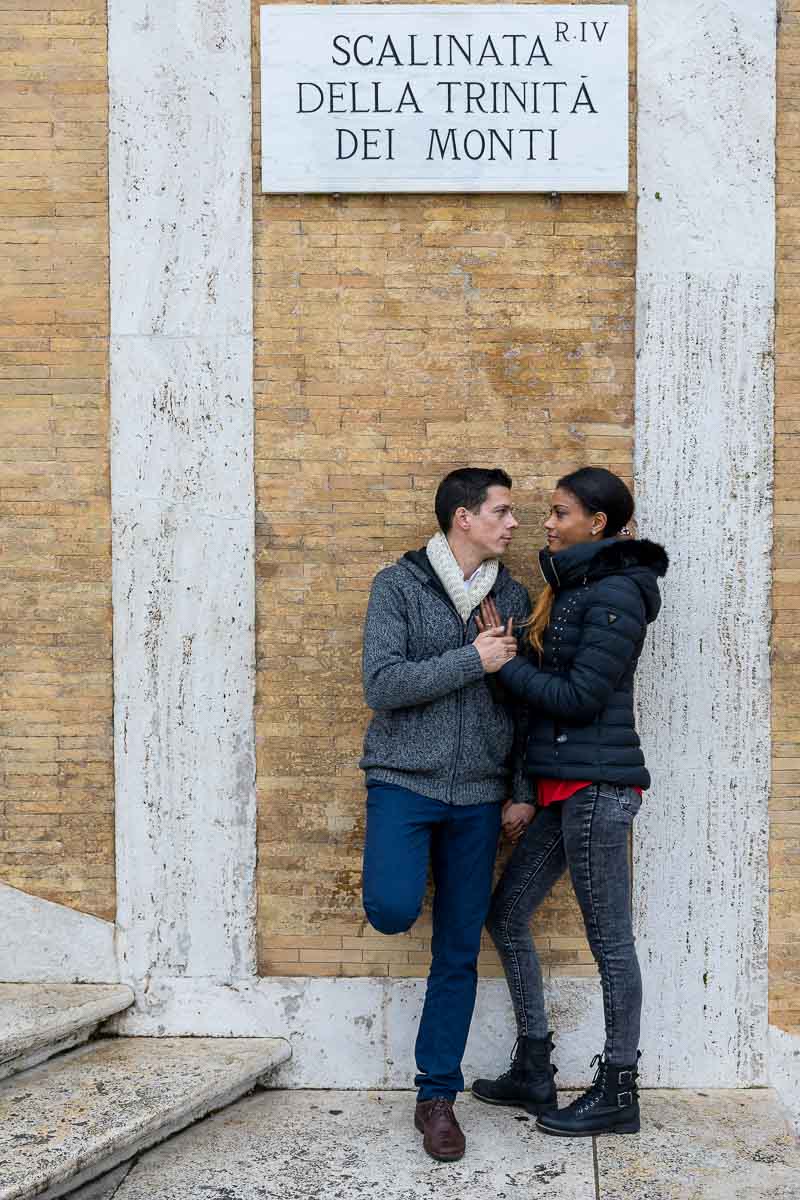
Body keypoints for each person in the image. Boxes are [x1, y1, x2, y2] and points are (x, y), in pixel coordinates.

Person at [471, 467, 668, 1137]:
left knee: (610, 942)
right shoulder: (579, 587)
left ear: (599, 524)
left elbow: (581, 699)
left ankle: (618, 1089)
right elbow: (546, 698)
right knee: (507, 914)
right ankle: (534, 1065)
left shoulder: (616, 593)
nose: (547, 524)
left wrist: (508, 667)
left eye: (560, 513)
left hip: (597, 791)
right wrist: (507, 652)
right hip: (566, 789)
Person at [359, 467, 532, 1162]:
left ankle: (437, 1098)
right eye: (502, 511)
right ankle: (435, 1091)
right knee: (394, 908)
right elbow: (382, 684)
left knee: (457, 951)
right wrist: (473, 659)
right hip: (405, 781)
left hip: (482, 797)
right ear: (464, 517)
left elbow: (521, 703)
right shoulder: (397, 586)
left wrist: (519, 785)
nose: (512, 523)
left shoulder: (512, 595)